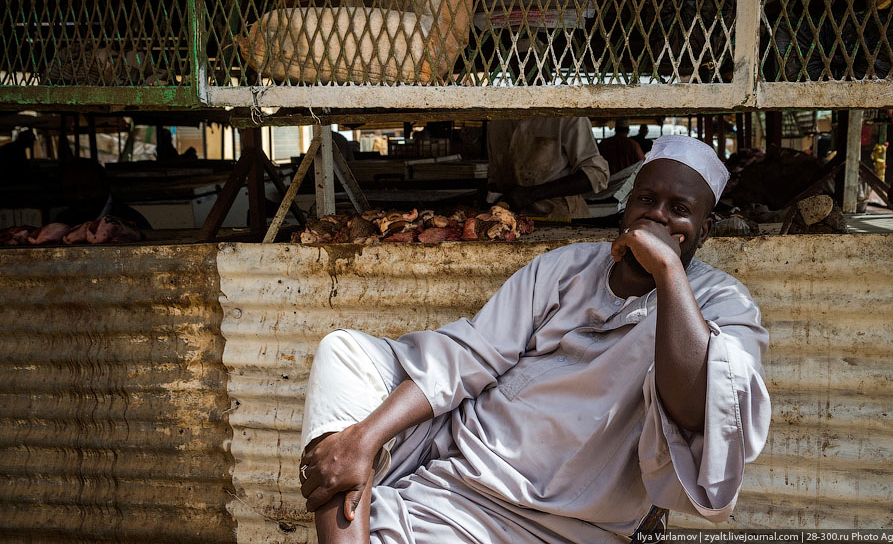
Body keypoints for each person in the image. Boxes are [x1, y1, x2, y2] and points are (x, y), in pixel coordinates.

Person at [298, 135, 770, 543]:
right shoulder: (567, 268)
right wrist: (366, 437)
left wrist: (667, 271)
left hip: (565, 524)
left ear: (704, 230)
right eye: (646, 200)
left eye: (680, 211)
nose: (657, 219)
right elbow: (469, 353)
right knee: (343, 355)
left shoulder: (725, 304)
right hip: (464, 480)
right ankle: (354, 479)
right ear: (627, 206)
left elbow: (697, 411)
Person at [486, 117, 610, 219]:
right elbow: (494, 178)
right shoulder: (497, 123)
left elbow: (597, 174)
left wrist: (531, 194)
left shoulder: (567, 117)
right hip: (510, 223)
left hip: (562, 221)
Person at [54, 159, 152, 229]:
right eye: (71, 190)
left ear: (105, 186)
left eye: (88, 189)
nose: (79, 197)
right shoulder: (62, 221)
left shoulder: (131, 221)